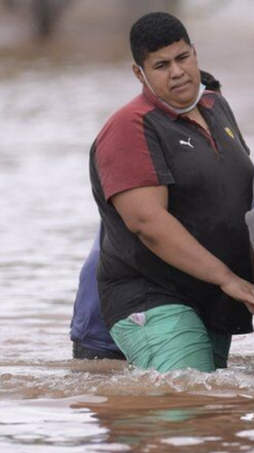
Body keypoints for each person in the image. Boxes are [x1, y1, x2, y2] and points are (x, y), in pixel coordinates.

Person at [89, 12, 254, 372]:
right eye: (161, 65)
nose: (176, 72)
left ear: (195, 52)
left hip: (213, 295)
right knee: (187, 410)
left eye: (182, 58)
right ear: (139, 73)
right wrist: (227, 278)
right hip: (153, 296)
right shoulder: (130, 127)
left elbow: (232, 206)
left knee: (217, 417)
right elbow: (148, 222)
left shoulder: (216, 107)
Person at [71, 71, 223, 360]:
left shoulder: (197, 169)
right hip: (111, 318)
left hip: (160, 301)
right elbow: (153, 229)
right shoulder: (148, 162)